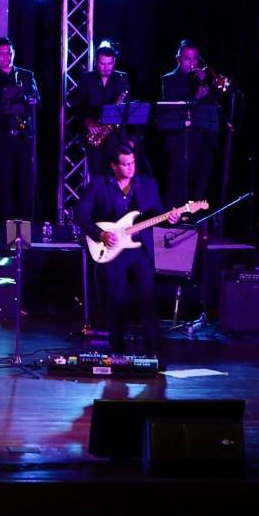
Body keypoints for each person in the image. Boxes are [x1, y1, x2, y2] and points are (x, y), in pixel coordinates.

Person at [75, 144, 180, 355]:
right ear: (114, 166)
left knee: (148, 299)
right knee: (116, 300)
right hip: (113, 249)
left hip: (140, 249)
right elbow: (80, 215)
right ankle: (117, 351)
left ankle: (153, 352)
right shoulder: (98, 185)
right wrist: (100, 234)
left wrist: (171, 219)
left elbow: (157, 216)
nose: (130, 168)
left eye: (132, 163)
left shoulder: (147, 185)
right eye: (125, 164)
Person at [0, 37, 40, 221]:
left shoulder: (26, 76)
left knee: (25, 183)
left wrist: (27, 99)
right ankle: (7, 229)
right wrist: (4, 97)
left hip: (22, 137)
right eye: (2, 53)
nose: (6, 57)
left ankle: (26, 228)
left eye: (9, 53)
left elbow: (37, 100)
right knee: (4, 183)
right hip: (1, 138)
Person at [160, 40, 221, 207]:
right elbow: (172, 109)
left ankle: (197, 220)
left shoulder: (202, 79)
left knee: (200, 184)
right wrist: (195, 98)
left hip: (203, 139)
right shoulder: (169, 80)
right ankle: (175, 221)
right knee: (178, 183)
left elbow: (215, 104)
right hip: (180, 140)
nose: (192, 63)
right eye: (188, 59)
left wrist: (204, 81)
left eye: (195, 59)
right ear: (178, 59)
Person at [70, 42, 132, 185]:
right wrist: (87, 121)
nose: (106, 68)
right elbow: (75, 107)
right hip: (95, 136)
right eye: (103, 64)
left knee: (115, 178)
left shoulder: (122, 78)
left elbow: (127, 106)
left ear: (114, 62)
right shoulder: (87, 79)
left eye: (110, 64)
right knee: (97, 177)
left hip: (116, 137)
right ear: (96, 62)